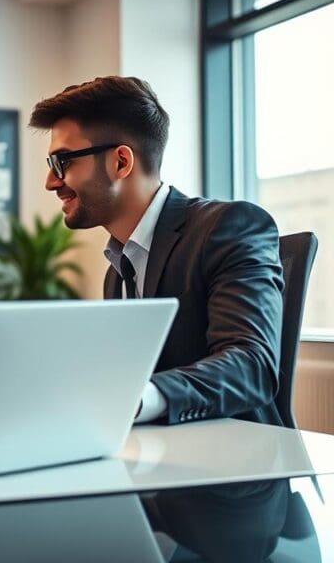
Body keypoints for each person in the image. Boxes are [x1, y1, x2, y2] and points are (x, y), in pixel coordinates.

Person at [29, 76, 284, 426]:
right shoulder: (117, 270)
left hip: (238, 467)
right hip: (157, 460)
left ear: (121, 162)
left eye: (63, 162)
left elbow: (251, 365)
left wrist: (137, 399)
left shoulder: (230, 227)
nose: (51, 182)